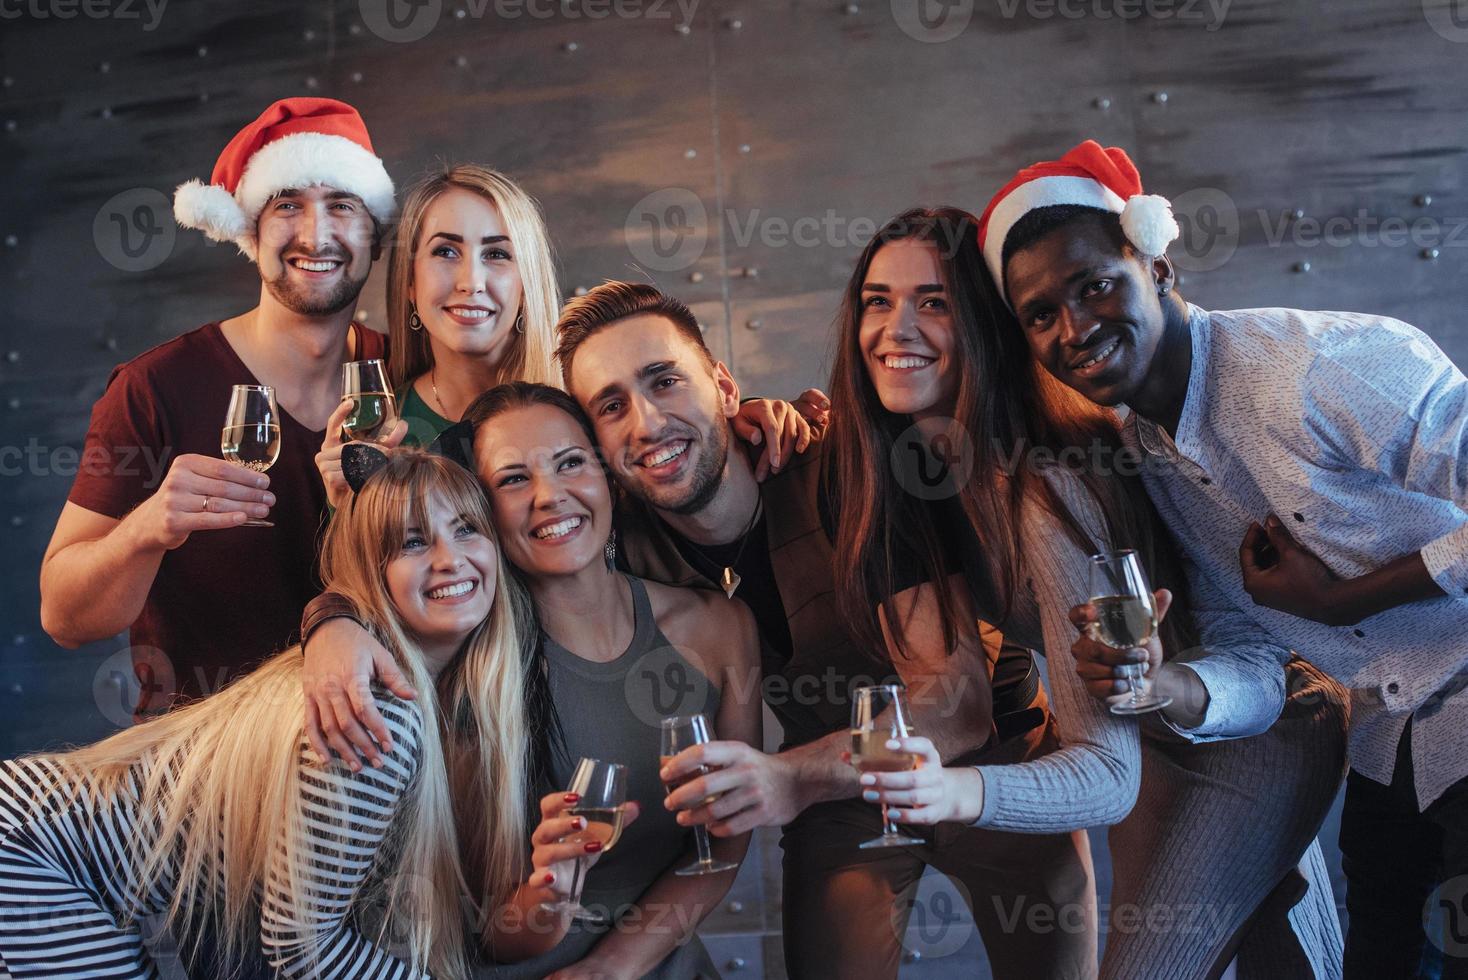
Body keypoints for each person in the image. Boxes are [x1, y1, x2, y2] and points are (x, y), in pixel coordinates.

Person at [981, 139, 1468, 978]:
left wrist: (1345, 601)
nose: (1075, 328)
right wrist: (1162, 685)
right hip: (1388, 749)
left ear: (1157, 267)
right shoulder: (1149, 464)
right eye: (1040, 314)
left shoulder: (1315, 369)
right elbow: (1253, 656)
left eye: (1095, 284)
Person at [843, 206, 1348, 978]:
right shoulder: (926, 480)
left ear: (983, 322)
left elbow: (1104, 775)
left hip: (1251, 733)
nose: (896, 327)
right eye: (878, 300)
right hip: (1150, 745)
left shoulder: (1046, 486)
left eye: (933, 301)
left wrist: (949, 792)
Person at [554, 282, 1096, 978]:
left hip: (997, 765)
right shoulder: (616, 545)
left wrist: (790, 776)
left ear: (723, 386)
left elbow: (955, 708)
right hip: (840, 792)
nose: (647, 420)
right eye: (611, 405)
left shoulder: (849, 470)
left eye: (665, 381)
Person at [1, 449, 582, 979]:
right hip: (26, 849)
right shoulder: (376, 711)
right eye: (411, 543)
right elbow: (303, 947)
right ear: (373, 574)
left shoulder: (421, 698)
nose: (449, 559)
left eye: (466, 530)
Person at [39, 97, 392, 714]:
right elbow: (64, 617)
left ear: (375, 233)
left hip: (380, 761)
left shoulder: (409, 376)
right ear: (251, 232)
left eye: (342, 205)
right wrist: (150, 528)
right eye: (287, 205)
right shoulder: (155, 387)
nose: (316, 234)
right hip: (200, 772)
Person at [464, 382, 762, 978]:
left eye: (571, 463)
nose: (550, 496)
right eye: (513, 479)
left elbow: (723, 844)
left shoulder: (720, 627)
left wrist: (615, 966)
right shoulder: (469, 671)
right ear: (482, 511)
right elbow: (489, 935)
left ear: (607, 477)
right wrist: (549, 894)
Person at [314, 164, 562, 512]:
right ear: (410, 284)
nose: (471, 282)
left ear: (526, 286)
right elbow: (350, 567)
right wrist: (350, 514)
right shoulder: (377, 435)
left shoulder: (578, 410)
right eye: (445, 251)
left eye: (496, 254)